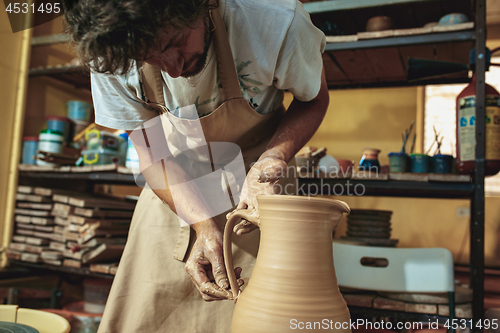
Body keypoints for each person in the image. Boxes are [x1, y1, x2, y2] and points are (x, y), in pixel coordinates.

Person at [62, 0, 328, 331]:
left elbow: (314, 100)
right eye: (150, 58)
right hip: (171, 178)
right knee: (145, 313)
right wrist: (202, 224)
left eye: (173, 44)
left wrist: (273, 159)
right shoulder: (110, 51)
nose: (172, 69)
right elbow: (150, 146)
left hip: (260, 180)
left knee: (264, 312)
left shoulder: (276, 23)